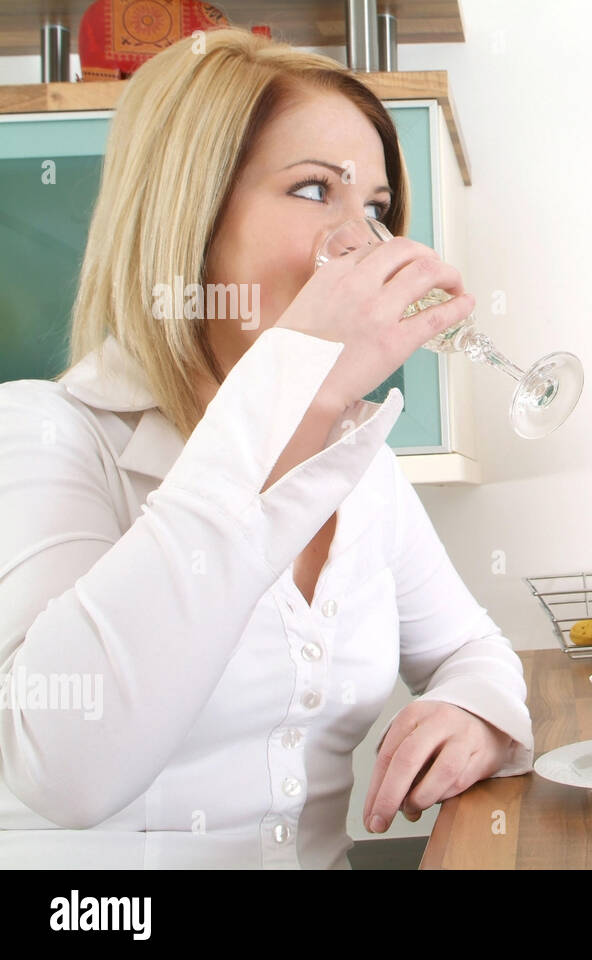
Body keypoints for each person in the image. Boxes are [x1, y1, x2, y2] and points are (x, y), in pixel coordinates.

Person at [0, 27, 533, 869]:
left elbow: (474, 651)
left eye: (378, 208)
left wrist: (477, 714)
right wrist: (294, 393)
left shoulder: (360, 464)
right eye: (315, 188)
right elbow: (66, 771)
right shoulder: (42, 435)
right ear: (189, 218)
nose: (364, 242)